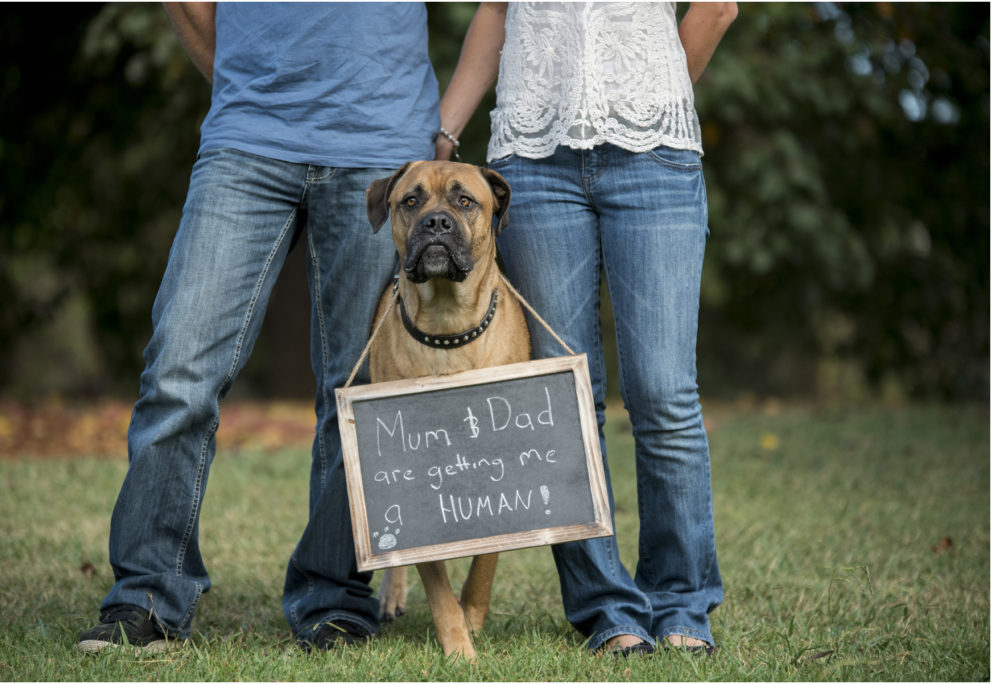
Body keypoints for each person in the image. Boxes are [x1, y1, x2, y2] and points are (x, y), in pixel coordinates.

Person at [78, 2, 441, 654]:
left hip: (382, 143)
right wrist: (245, 79)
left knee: (358, 390)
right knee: (179, 364)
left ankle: (335, 600)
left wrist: (449, 125)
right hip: (247, 138)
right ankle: (148, 597)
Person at [435, 2, 737, 654]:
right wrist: (444, 131)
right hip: (533, 160)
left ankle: (679, 602)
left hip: (654, 157)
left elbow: (717, 8)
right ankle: (608, 608)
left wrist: (648, 99)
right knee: (563, 399)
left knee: (663, 393)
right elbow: (496, 11)